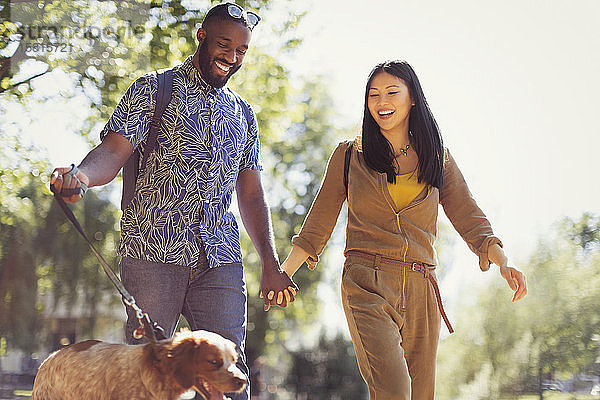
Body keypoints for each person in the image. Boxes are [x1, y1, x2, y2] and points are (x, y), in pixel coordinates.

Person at [49, 3, 296, 399]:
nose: (231, 58)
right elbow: (113, 152)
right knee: (146, 375)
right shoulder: (155, 88)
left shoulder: (243, 114)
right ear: (202, 37)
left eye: (241, 51)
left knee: (230, 378)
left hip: (220, 259)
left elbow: (250, 194)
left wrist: (270, 263)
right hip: (152, 255)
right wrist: (79, 176)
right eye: (224, 45)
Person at [272, 60, 527, 399]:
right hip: (367, 283)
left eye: (392, 93)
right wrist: (283, 273)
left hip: (422, 288)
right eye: (373, 95)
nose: (382, 102)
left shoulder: (438, 158)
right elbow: (318, 223)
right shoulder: (350, 155)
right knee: (394, 390)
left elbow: (470, 218)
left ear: (412, 100)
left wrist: (502, 260)